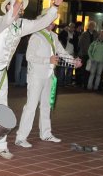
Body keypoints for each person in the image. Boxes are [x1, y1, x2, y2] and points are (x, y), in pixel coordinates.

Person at [0, 0, 63, 164]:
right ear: (8, 7)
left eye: (22, 6)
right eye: (17, 5)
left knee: (2, 109)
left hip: (2, 73)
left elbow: (40, 23)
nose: (20, 9)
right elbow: (7, 20)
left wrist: (55, 7)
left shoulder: (21, 25)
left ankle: (1, 145)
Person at [15, 14, 81, 148]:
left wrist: (73, 61)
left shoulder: (54, 36)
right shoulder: (36, 36)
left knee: (46, 106)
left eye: (53, 21)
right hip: (36, 76)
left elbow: (61, 52)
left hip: (49, 75)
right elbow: (29, 56)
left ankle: (46, 133)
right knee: (31, 107)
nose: (53, 23)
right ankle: (20, 137)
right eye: (51, 21)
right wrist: (47, 60)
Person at [57, 22, 78, 86]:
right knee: (62, 68)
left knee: (70, 69)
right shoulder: (65, 33)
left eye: (73, 27)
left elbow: (76, 43)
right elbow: (59, 37)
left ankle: (68, 82)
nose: (72, 28)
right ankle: (61, 82)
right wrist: (64, 30)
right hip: (64, 53)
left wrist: (70, 40)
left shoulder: (75, 34)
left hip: (71, 53)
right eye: (70, 26)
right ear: (68, 27)